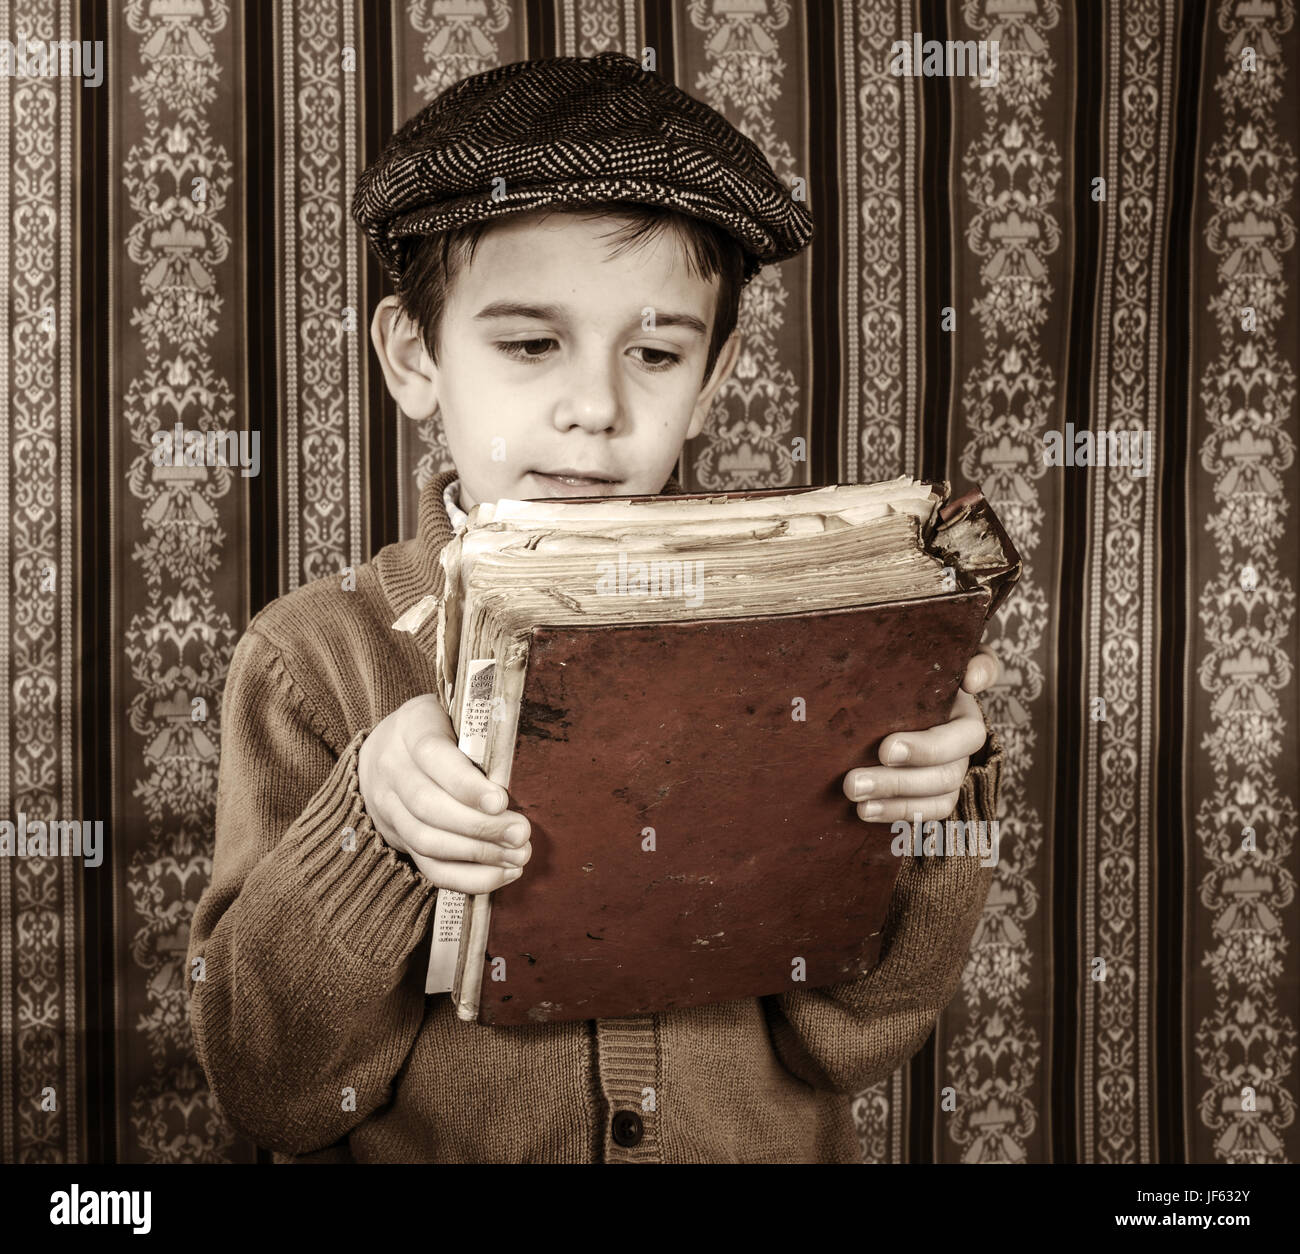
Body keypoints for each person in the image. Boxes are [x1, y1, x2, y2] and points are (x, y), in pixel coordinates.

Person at [187, 51, 1003, 1163]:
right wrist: (371, 826)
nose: (595, 407)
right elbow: (271, 1090)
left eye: (656, 353)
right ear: (412, 354)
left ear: (711, 379)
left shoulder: (807, 637)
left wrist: (923, 810)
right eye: (529, 344)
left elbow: (856, 1042)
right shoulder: (310, 658)